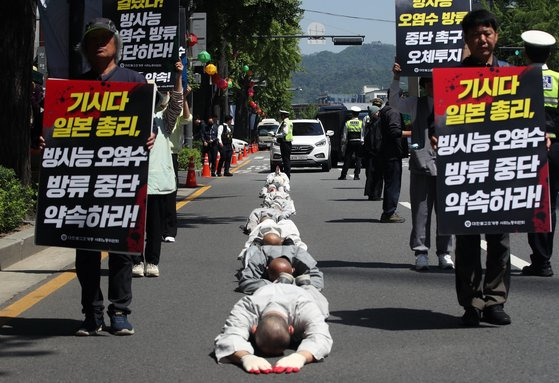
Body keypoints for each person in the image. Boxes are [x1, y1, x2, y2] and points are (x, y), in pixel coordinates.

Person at [74, 17, 155, 336]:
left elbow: (150, 131)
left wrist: (150, 139)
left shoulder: (136, 82)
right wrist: (46, 143)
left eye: (106, 37)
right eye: (93, 38)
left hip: (124, 181)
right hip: (83, 184)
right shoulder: (75, 88)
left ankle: (119, 311)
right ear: (84, 47)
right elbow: (57, 133)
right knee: (86, 250)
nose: (100, 43)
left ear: (116, 43)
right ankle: (91, 313)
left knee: (123, 248)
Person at [440, 9, 511, 326]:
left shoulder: (513, 74)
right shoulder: (452, 78)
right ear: (466, 39)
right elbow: (441, 124)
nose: (482, 39)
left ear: (496, 36)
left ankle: (495, 302)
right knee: (467, 238)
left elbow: (527, 119)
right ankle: (471, 303)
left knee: (500, 237)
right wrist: (436, 136)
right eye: (476, 34)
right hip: (465, 169)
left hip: (503, 167)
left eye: (487, 33)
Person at [390, 67, 454, 271]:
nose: (433, 86)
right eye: (429, 83)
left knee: (446, 212)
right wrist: (396, 78)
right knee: (421, 212)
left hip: (449, 165)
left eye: (436, 83)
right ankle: (421, 252)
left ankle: (444, 253)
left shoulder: (454, 104)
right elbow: (394, 103)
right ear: (424, 86)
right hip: (422, 163)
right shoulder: (416, 103)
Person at [132, 62, 184, 278]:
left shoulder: (163, 120)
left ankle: (152, 261)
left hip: (157, 183)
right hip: (134, 181)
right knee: (135, 226)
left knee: (154, 227)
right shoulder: (129, 119)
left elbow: (177, 103)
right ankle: (136, 261)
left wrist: (178, 75)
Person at [214, 283, 332, 374]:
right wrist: (246, 357)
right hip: (268, 289)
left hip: (300, 293)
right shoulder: (248, 305)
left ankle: (303, 283)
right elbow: (320, 337)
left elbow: (321, 336)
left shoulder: (305, 306)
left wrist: (301, 356)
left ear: (254, 329)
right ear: (290, 329)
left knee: (322, 309)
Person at [520, 30, 559, 277]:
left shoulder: (518, 79)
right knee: (550, 203)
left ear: (525, 52)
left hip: (526, 147)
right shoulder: (557, 78)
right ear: (550, 53)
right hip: (556, 148)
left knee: (533, 202)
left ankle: (539, 259)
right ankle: (544, 259)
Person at [162, 85, 192, 243]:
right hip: (153, 153)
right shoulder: (153, 107)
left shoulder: (176, 108)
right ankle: (155, 228)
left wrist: (184, 98)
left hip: (170, 153)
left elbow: (187, 119)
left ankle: (169, 230)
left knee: (170, 192)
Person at [377, 98, 410, 223]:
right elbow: (394, 131)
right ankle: (389, 212)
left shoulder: (385, 111)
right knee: (393, 184)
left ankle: (388, 211)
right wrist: (412, 132)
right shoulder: (394, 112)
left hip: (386, 152)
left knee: (390, 183)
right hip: (393, 153)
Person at [238, 218, 306, 260]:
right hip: (282, 235)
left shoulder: (254, 261)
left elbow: (246, 254)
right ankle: (281, 219)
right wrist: (291, 245)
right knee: (287, 222)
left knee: (267, 222)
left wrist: (254, 246)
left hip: (265, 231)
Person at [362, 100, 383, 200]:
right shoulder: (377, 124)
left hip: (370, 153)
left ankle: (372, 193)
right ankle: (375, 194)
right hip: (376, 154)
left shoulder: (369, 123)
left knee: (371, 174)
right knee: (376, 174)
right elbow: (377, 139)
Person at [338, 106, 364, 180]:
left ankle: (343, 175)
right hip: (359, 142)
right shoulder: (361, 123)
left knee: (347, 159)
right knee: (358, 159)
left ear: (352, 114)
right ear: (358, 114)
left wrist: (343, 143)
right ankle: (356, 176)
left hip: (350, 142)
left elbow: (345, 134)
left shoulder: (348, 123)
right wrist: (362, 141)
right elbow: (363, 133)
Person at [275, 110, 293, 178]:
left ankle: (287, 175)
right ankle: (287, 174)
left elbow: (284, 133)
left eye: (281, 116)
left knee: (285, 160)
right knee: (287, 159)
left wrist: (276, 135)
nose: (280, 117)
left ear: (283, 116)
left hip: (285, 143)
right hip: (288, 142)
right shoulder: (290, 122)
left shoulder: (285, 122)